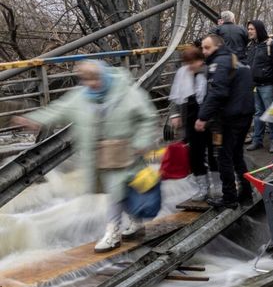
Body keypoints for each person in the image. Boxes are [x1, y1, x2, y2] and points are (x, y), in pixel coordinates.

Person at [13, 60, 157, 253]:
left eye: (95, 79)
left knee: (117, 192)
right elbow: (59, 110)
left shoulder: (127, 93)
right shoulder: (80, 97)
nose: (91, 84)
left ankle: (112, 233)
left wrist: (141, 141)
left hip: (127, 151)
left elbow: (147, 117)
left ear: (104, 75)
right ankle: (135, 222)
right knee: (119, 191)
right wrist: (35, 119)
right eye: (86, 80)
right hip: (101, 155)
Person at [196, 34, 254, 209]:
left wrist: (203, 117)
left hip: (230, 118)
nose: (203, 51)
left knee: (224, 157)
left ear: (217, 46)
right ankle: (246, 192)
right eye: (202, 48)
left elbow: (217, 92)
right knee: (237, 155)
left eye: (206, 48)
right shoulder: (235, 59)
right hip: (245, 114)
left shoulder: (219, 63)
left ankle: (229, 198)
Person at [168, 47, 217, 200]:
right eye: (187, 63)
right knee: (194, 154)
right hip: (190, 119)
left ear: (201, 60)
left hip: (210, 120)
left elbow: (216, 96)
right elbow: (176, 97)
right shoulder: (182, 75)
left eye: (193, 62)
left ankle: (218, 185)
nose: (189, 66)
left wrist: (208, 118)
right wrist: (175, 115)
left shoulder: (209, 73)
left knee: (214, 153)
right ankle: (202, 187)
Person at [244, 20, 273, 153]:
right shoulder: (252, 45)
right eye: (248, 29)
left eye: (251, 29)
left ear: (259, 30)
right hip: (255, 85)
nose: (249, 31)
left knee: (272, 114)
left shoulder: (272, 45)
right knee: (258, 114)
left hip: (268, 86)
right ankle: (257, 141)